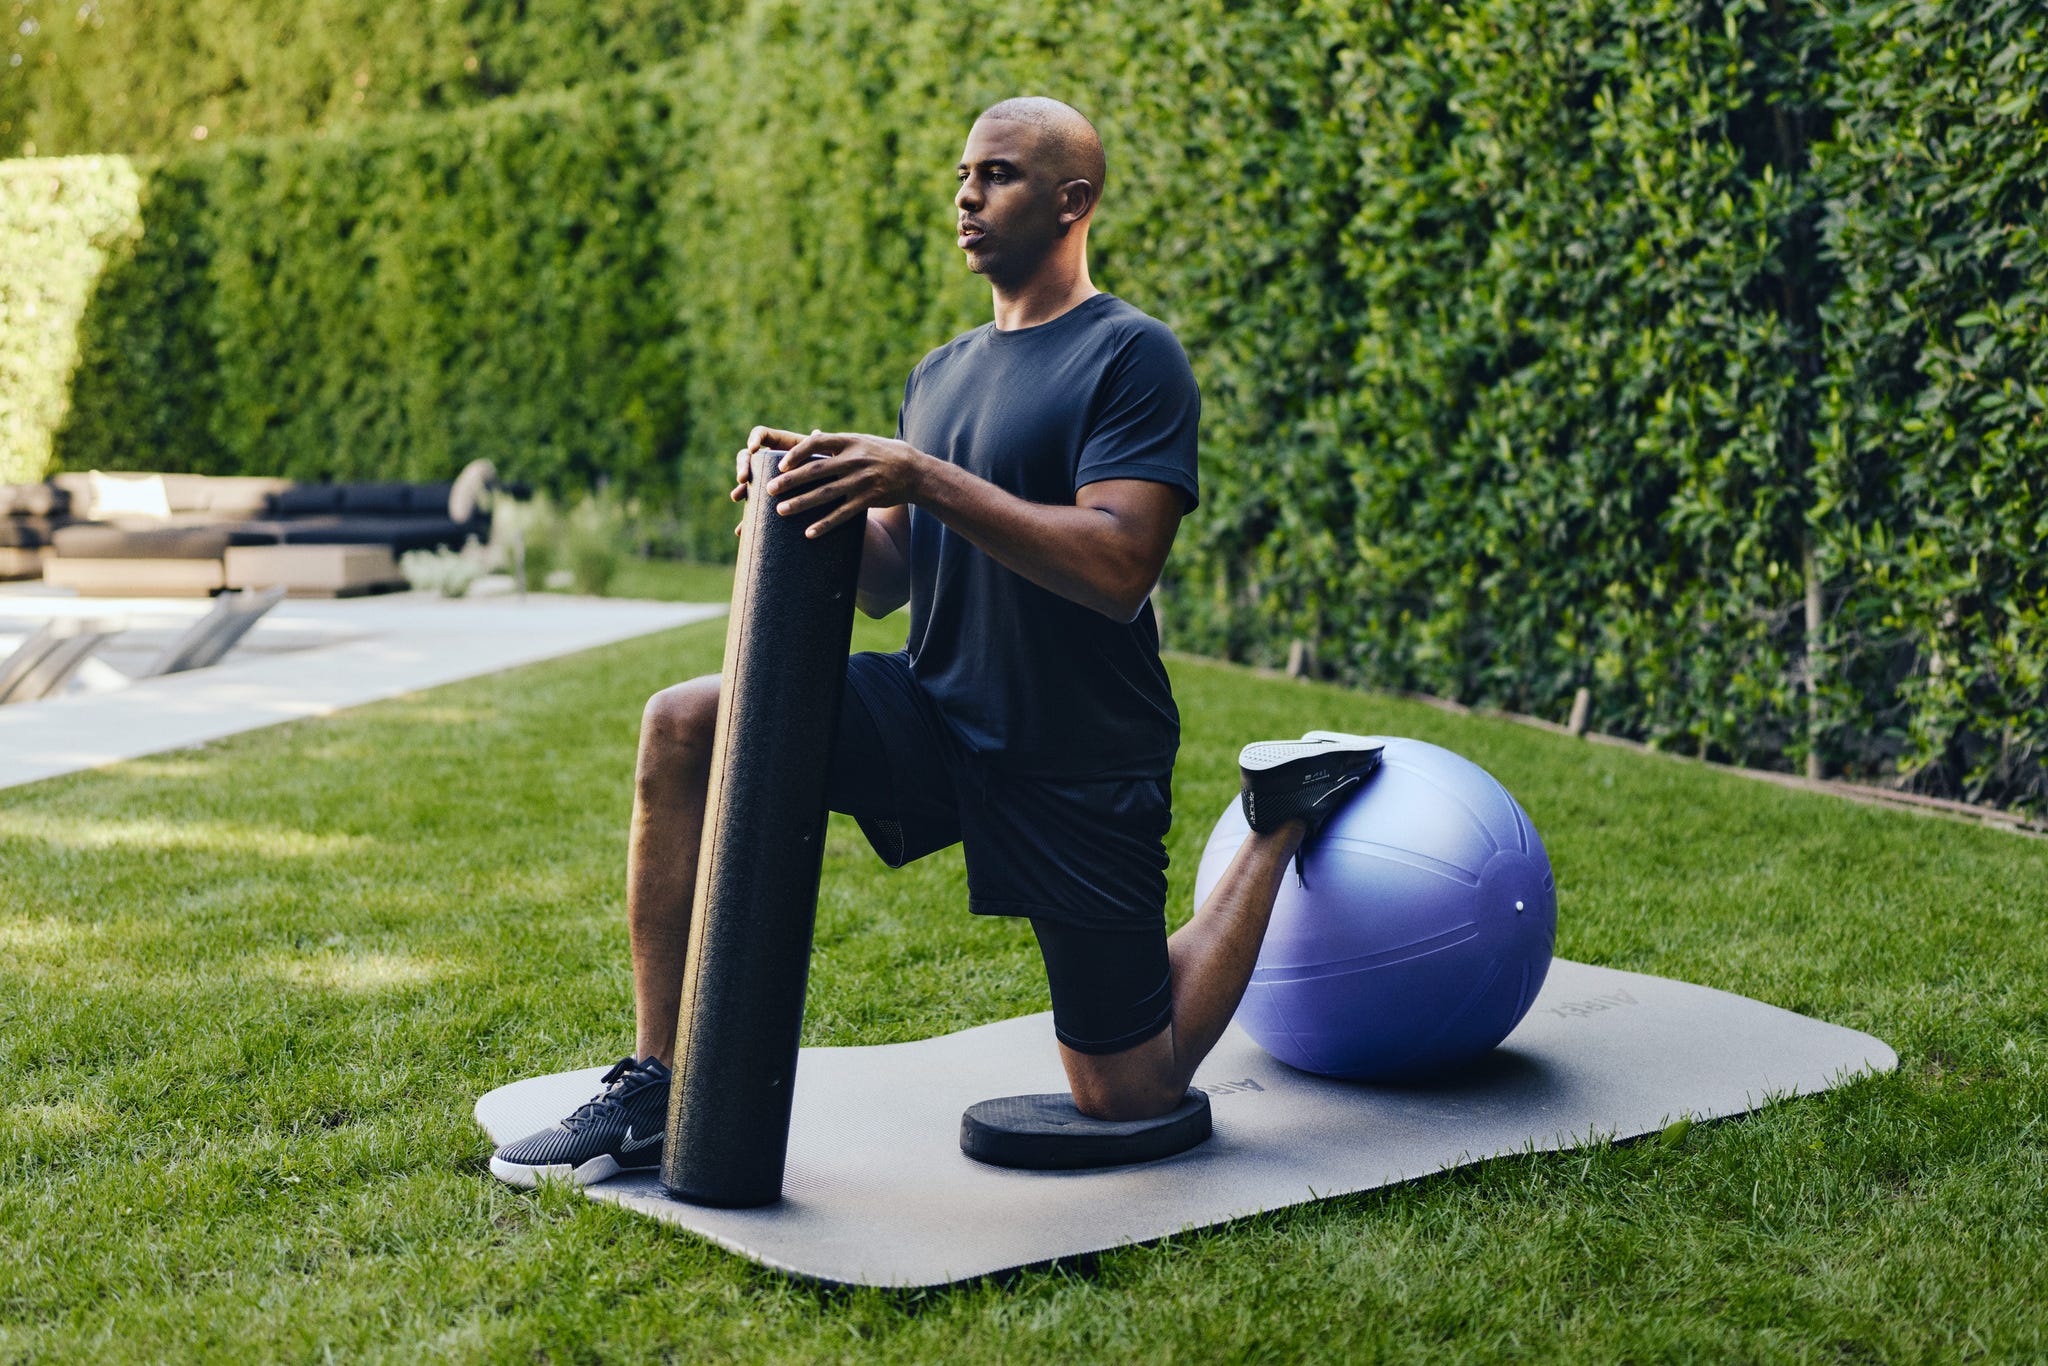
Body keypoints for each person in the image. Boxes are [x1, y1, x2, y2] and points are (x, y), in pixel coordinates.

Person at [490, 97, 1381, 1188]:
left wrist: (919, 475)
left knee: (1127, 1089)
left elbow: (1116, 566)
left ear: (1072, 201)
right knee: (682, 723)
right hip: (936, 711)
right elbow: (888, 577)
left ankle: (1276, 818)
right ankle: (654, 1082)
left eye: (996, 174)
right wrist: (806, 494)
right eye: (961, 174)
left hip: (1078, 752)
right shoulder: (941, 371)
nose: (965, 196)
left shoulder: (1132, 356)